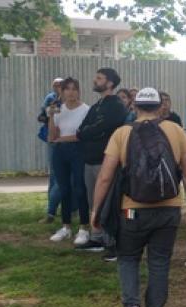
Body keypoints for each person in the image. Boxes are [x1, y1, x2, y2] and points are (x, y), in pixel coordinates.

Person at [89, 87, 186, 307]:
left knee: (128, 258)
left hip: (132, 211)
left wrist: (96, 210)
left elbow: (105, 178)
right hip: (169, 210)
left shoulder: (122, 133)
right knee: (159, 262)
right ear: (161, 107)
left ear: (134, 106)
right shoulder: (175, 131)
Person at [75, 67, 128, 258]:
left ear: (110, 83)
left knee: (108, 203)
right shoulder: (97, 105)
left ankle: (112, 242)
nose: (95, 80)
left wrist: (87, 132)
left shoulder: (116, 105)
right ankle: (97, 237)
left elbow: (103, 127)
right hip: (89, 161)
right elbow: (81, 129)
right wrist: (86, 132)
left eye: (99, 78)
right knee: (93, 200)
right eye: (96, 77)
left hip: (106, 161)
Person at [47, 77, 91, 245]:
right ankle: (65, 227)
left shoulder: (86, 110)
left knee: (80, 188)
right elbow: (52, 137)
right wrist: (51, 116)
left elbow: (84, 135)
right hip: (60, 152)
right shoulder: (59, 109)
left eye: (74, 89)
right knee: (64, 188)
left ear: (78, 91)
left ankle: (84, 228)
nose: (71, 92)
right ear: (62, 92)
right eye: (67, 89)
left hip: (78, 151)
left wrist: (63, 139)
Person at [38, 77, 64, 224]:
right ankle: (51, 211)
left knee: (67, 179)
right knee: (55, 175)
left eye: (60, 85)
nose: (57, 87)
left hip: (67, 140)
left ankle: (69, 210)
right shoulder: (51, 98)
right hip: (53, 139)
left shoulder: (69, 99)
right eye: (55, 85)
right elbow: (43, 115)